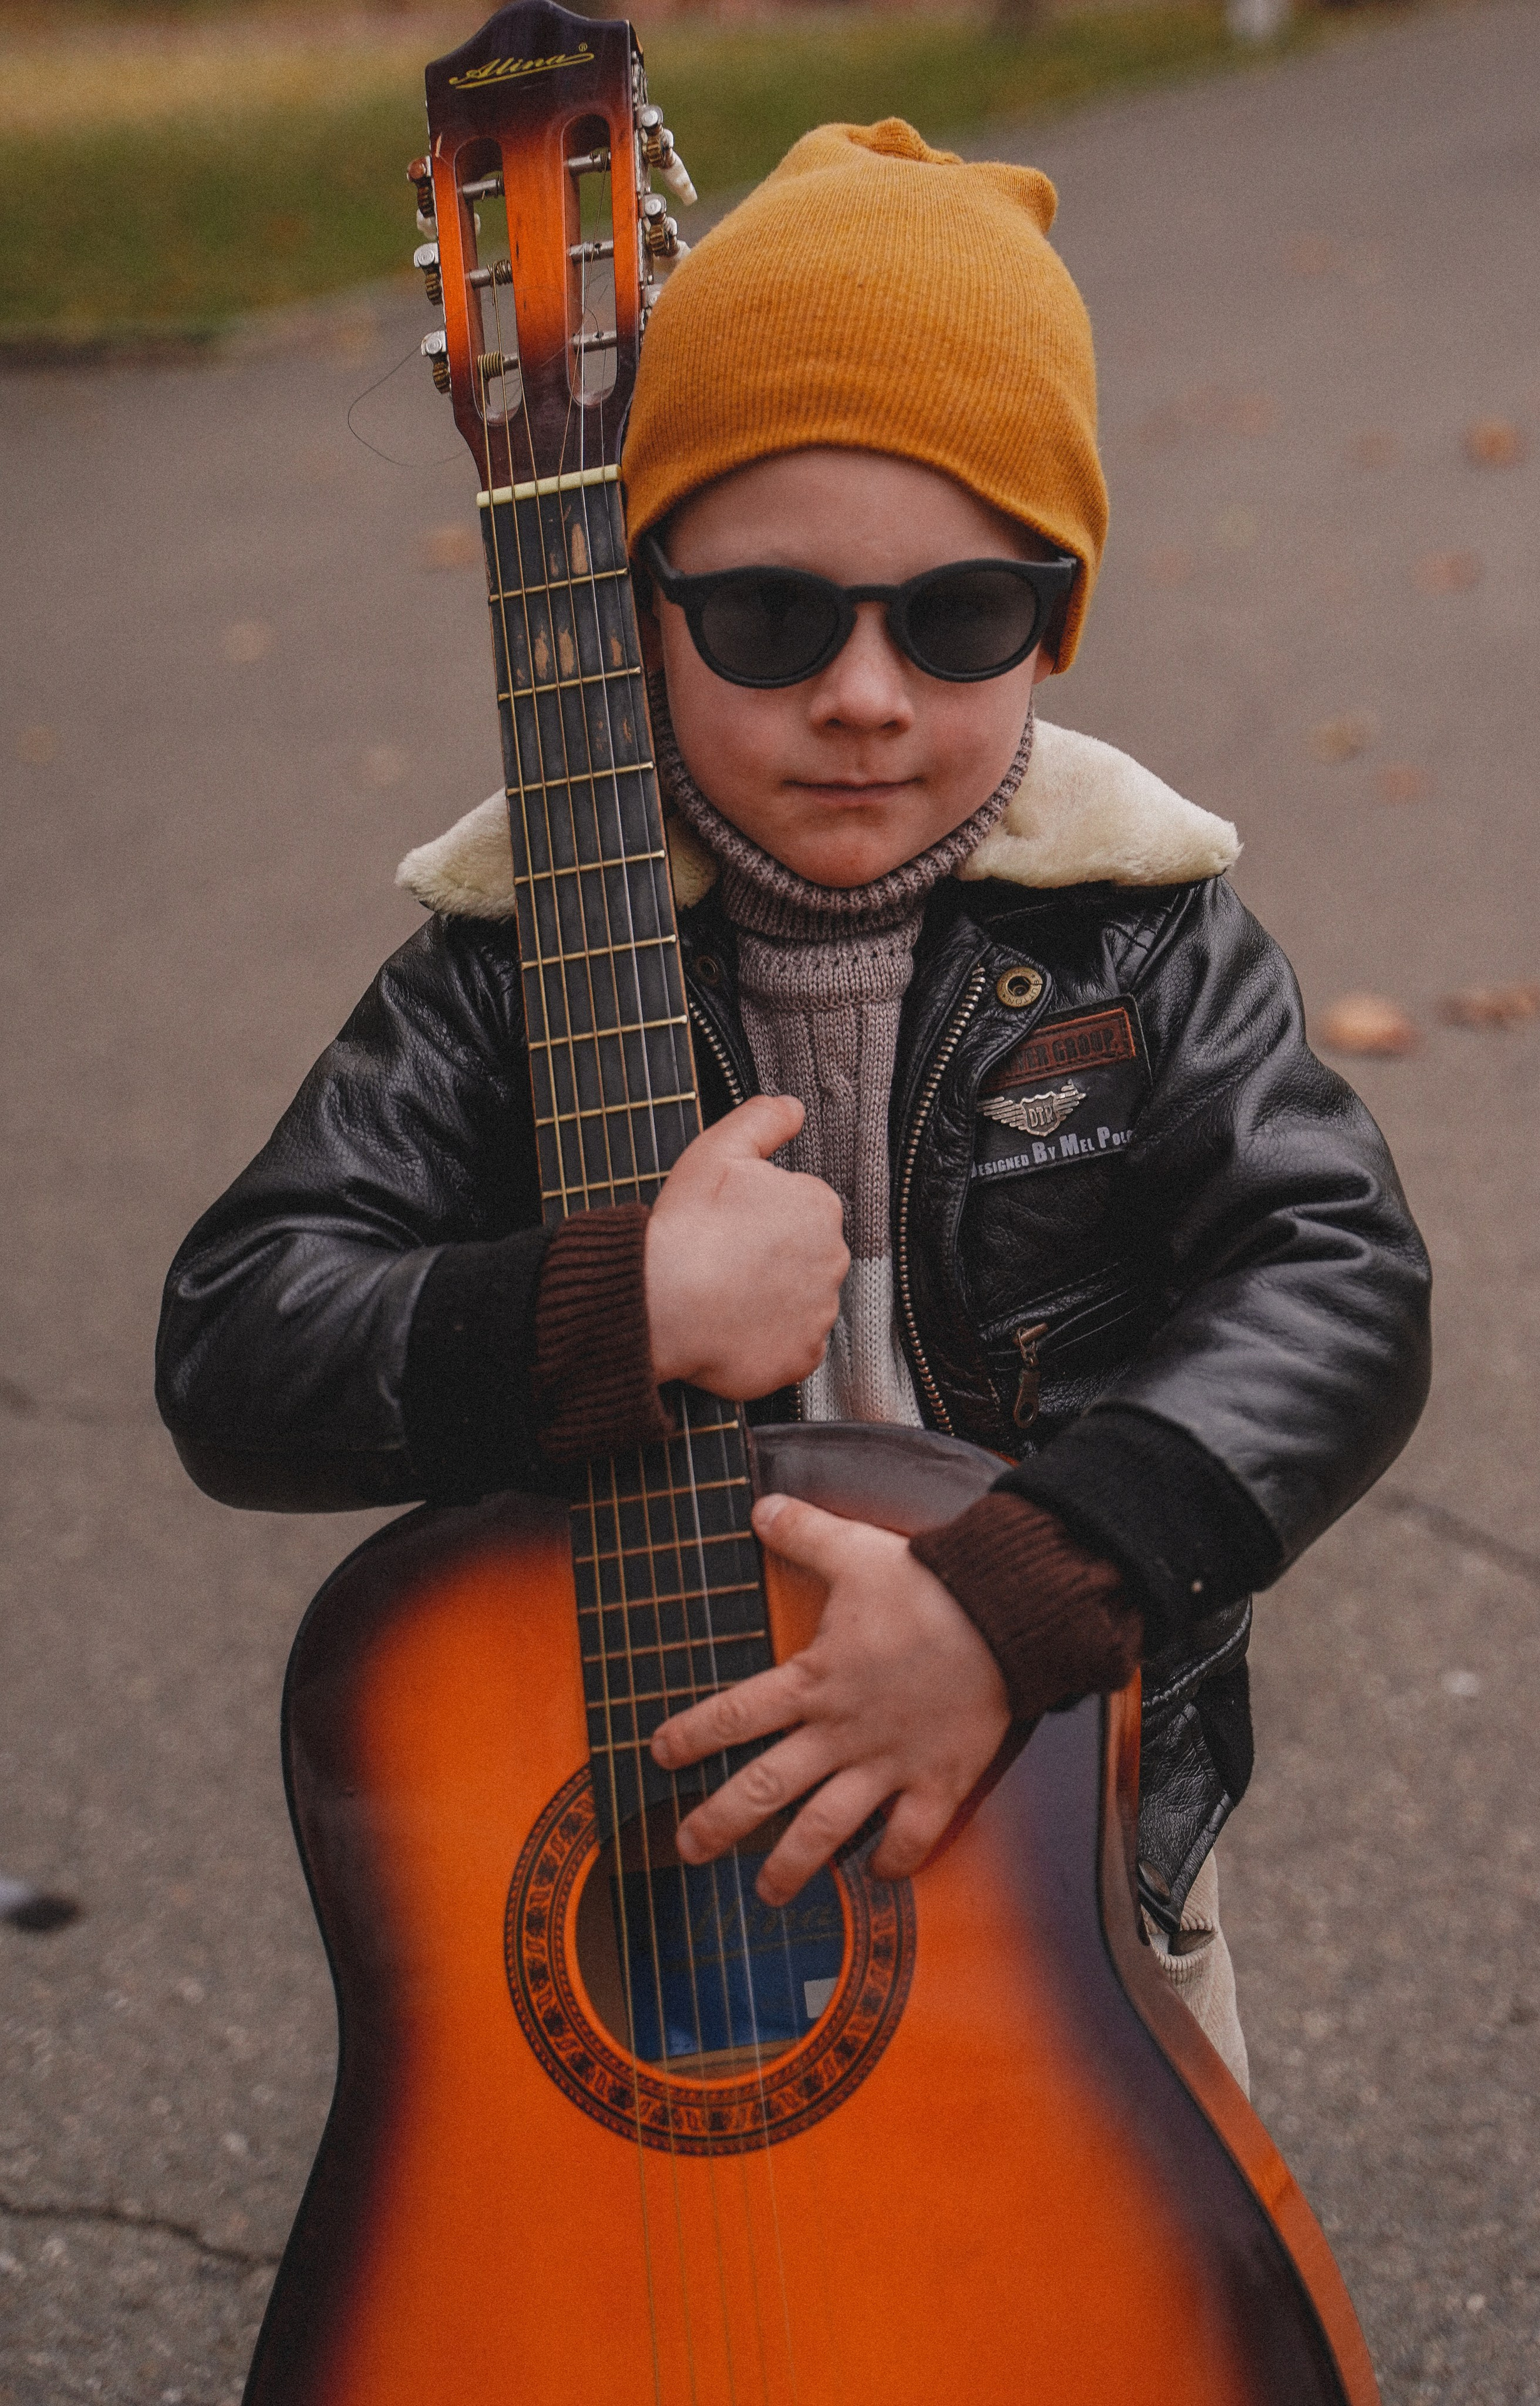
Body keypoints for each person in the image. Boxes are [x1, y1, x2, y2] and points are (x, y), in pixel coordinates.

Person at [155, 122, 1430, 2095]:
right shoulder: (509, 966)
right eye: (768, 618)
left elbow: (1337, 1281)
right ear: (634, 609)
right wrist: (609, 1308)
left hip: (1049, 1827)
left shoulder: (1142, 938)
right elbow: (240, 1340)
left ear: (1054, 616)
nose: (861, 691)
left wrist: (1019, 1601)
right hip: (643, 1832)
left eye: (959, 616)